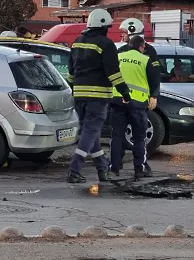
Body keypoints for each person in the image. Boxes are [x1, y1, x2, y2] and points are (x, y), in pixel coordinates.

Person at [66, 9, 132, 184]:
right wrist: (125, 92)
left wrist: (74, 88)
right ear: (103, 26)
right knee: (89, 132)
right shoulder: (106, 44)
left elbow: (71, 72)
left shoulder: (77, 42)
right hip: (98, 96)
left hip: (79, 95)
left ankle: (103, 169)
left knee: (92, 134)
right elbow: (113, 73)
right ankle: (75, 169)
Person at [109, 35, 160, 179]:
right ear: (141, 47)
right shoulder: (145, 60)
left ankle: (113, 168)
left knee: (117, 136)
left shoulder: (119, 56)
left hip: (118, 101)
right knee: (139, 138)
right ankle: (139, 169)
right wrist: (153, 96)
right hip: (138, 104)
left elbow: (110, 75)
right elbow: (154, 80)